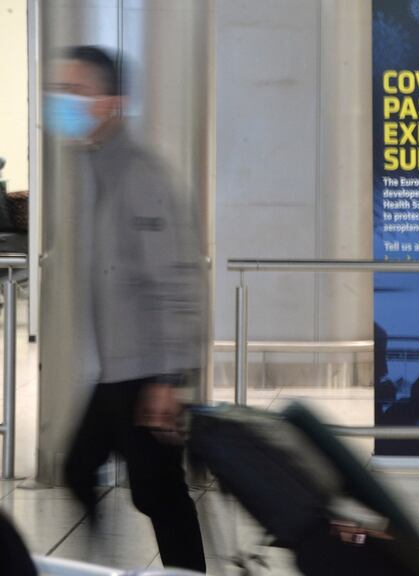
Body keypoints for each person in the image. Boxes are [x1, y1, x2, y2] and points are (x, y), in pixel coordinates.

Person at [49, 46, 207, 572]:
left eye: (77, 91)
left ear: (111, 102)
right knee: (78, 469)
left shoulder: (141, 175)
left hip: (145, 373)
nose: (65, 101)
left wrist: (169, 376)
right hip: (113, 370)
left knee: (159, 494)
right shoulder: (91, 167)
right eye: (62, 90)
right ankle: (101, 566)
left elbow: (176, 278)